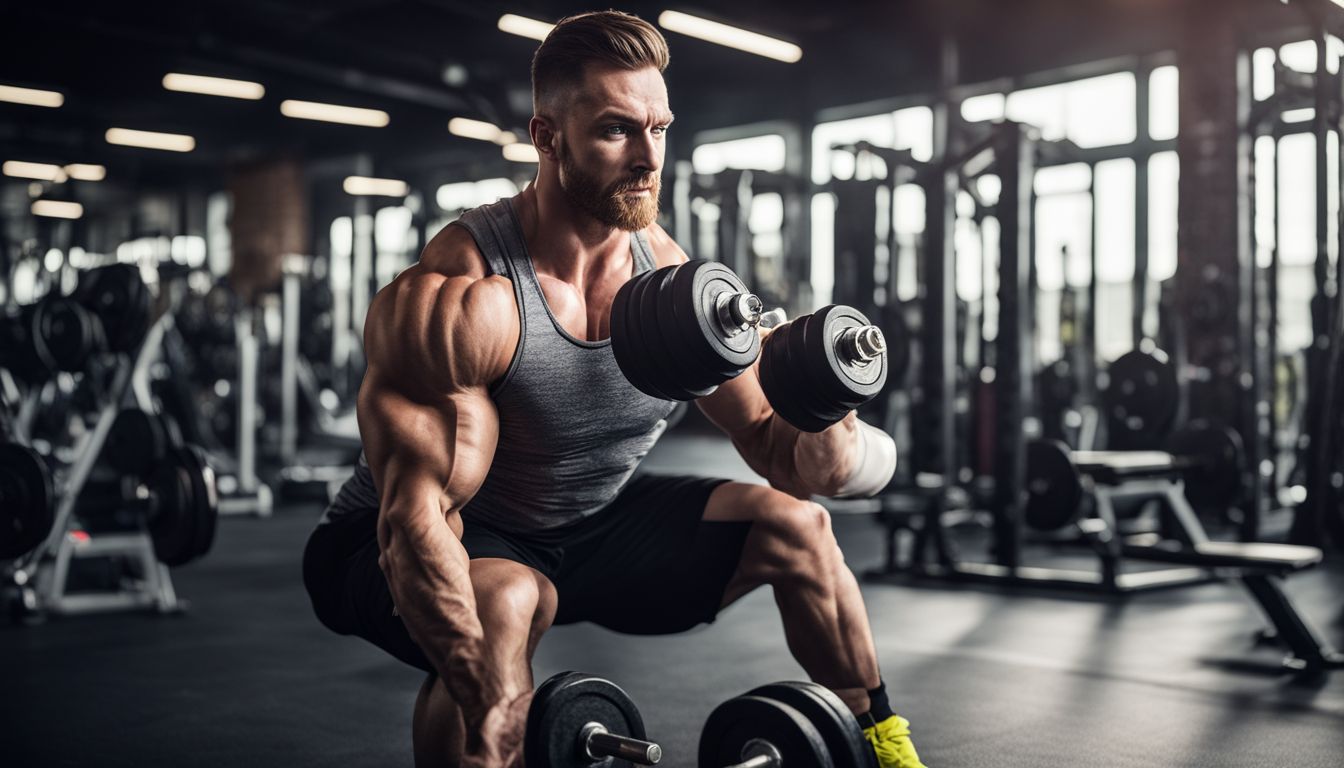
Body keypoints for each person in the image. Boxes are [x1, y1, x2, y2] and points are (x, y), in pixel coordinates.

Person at [302, 10, 924, 768]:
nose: (648, 157)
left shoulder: (672, 287)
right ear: (546, 138)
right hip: (420, 537)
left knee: (799, 529)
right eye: (617, 131)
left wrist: (821, 401)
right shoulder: (470, 298)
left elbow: (778, 450)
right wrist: (490, 704)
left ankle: (885, 747)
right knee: (506, 602)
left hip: (589, 526)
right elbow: (417, 523)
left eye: (659, 129)